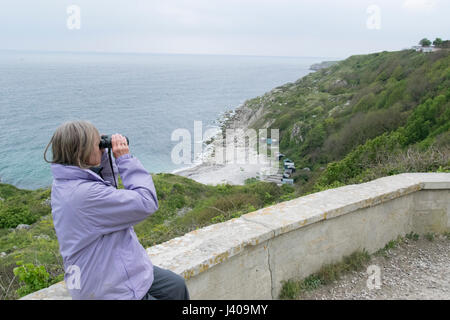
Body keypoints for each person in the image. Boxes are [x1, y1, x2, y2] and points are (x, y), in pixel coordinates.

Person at [44, 120, 189, 300]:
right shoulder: (83, 194)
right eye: (95, 144)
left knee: (175, 287)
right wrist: (124, 159)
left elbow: (108, 192)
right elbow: (146, 202)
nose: (100, 146)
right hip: (107, 285)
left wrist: (103, 158)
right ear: (81, 151)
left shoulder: (66, 181)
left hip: (117, 266)